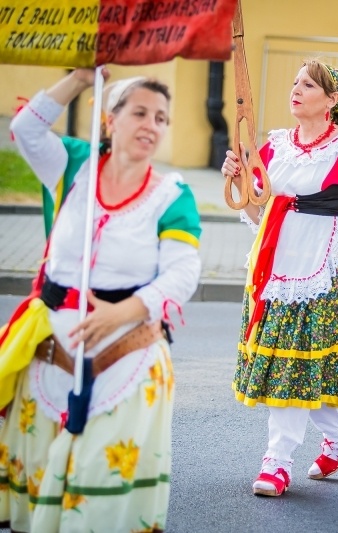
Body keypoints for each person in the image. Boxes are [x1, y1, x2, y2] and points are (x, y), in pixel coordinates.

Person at [1, 69, 202, 532]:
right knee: (42, 485)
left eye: (161, 118)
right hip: (50, 352)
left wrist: (121, 314)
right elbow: (27, 129)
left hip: (126, 357)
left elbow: (182, 273)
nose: (151, 124)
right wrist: (78, 79)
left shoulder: (172, 196)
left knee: (96, 486)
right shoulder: (73, 165)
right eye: (140, 113)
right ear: (110, 119)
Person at [221, 59, 338, 497]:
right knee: (294, 364)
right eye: (295, 82)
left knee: (298, 361)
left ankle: (277, 462)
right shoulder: (276, 146)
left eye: (308, 85)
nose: (296, 90)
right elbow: (257, 214)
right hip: (279, 260)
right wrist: (239, 181)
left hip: (330, 266)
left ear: (332, 100)